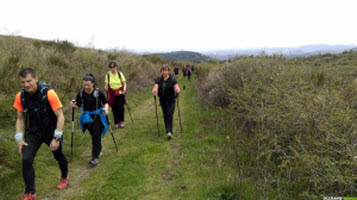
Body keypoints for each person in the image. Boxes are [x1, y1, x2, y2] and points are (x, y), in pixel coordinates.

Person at [13, 68, 68, 200]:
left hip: (51, 130)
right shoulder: (20, 96)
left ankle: (64, 177)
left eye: (29, 81)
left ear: (36, 79)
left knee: (59, 155)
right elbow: (20, 119)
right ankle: (30, 192)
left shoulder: (49, 93)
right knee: (26, 159)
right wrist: (19, 139)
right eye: (22, 82)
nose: (26, 85)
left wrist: (56, 138)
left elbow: (60, 116)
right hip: (34, 132)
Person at [70, 74, 109, 165]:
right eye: (84, 85)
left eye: (88, 85)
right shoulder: (81, 93)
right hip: (87, 118)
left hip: (98, 116)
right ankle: (98, 149)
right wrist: (73, 105)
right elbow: (78, 105)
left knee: (96, 134)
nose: (86, 87)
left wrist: (106, 109)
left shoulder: (98, 92)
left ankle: (94, 157)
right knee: (94, 135)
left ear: (93, 84)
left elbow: (105, 102)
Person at [152, 64, 181, 139]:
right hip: (163, 100)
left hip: (171, 100)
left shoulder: (172, 79)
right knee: (165, 115)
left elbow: (176, 86)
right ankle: (167, 129)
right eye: (163, 70)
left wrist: (177, 90)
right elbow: (156, 86)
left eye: (166, 70)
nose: (164, 72)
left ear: (168, 71)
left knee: (169, 114)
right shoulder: (159, 79)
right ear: (161, 71)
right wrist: (154, 90)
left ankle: (169, 131)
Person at [105, 61, 127, 128]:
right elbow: (106, 84)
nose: (112, 68)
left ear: (116, 67)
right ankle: (116, 122)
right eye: (111, 67)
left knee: (120, 107)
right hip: (112, 94)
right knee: (114, 108)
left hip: (120, 93)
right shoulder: (108, 75)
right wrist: (106, 89)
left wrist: (124, 90)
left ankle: (122, 121)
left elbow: (124, 83)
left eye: (113, 67)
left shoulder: (120, 74)